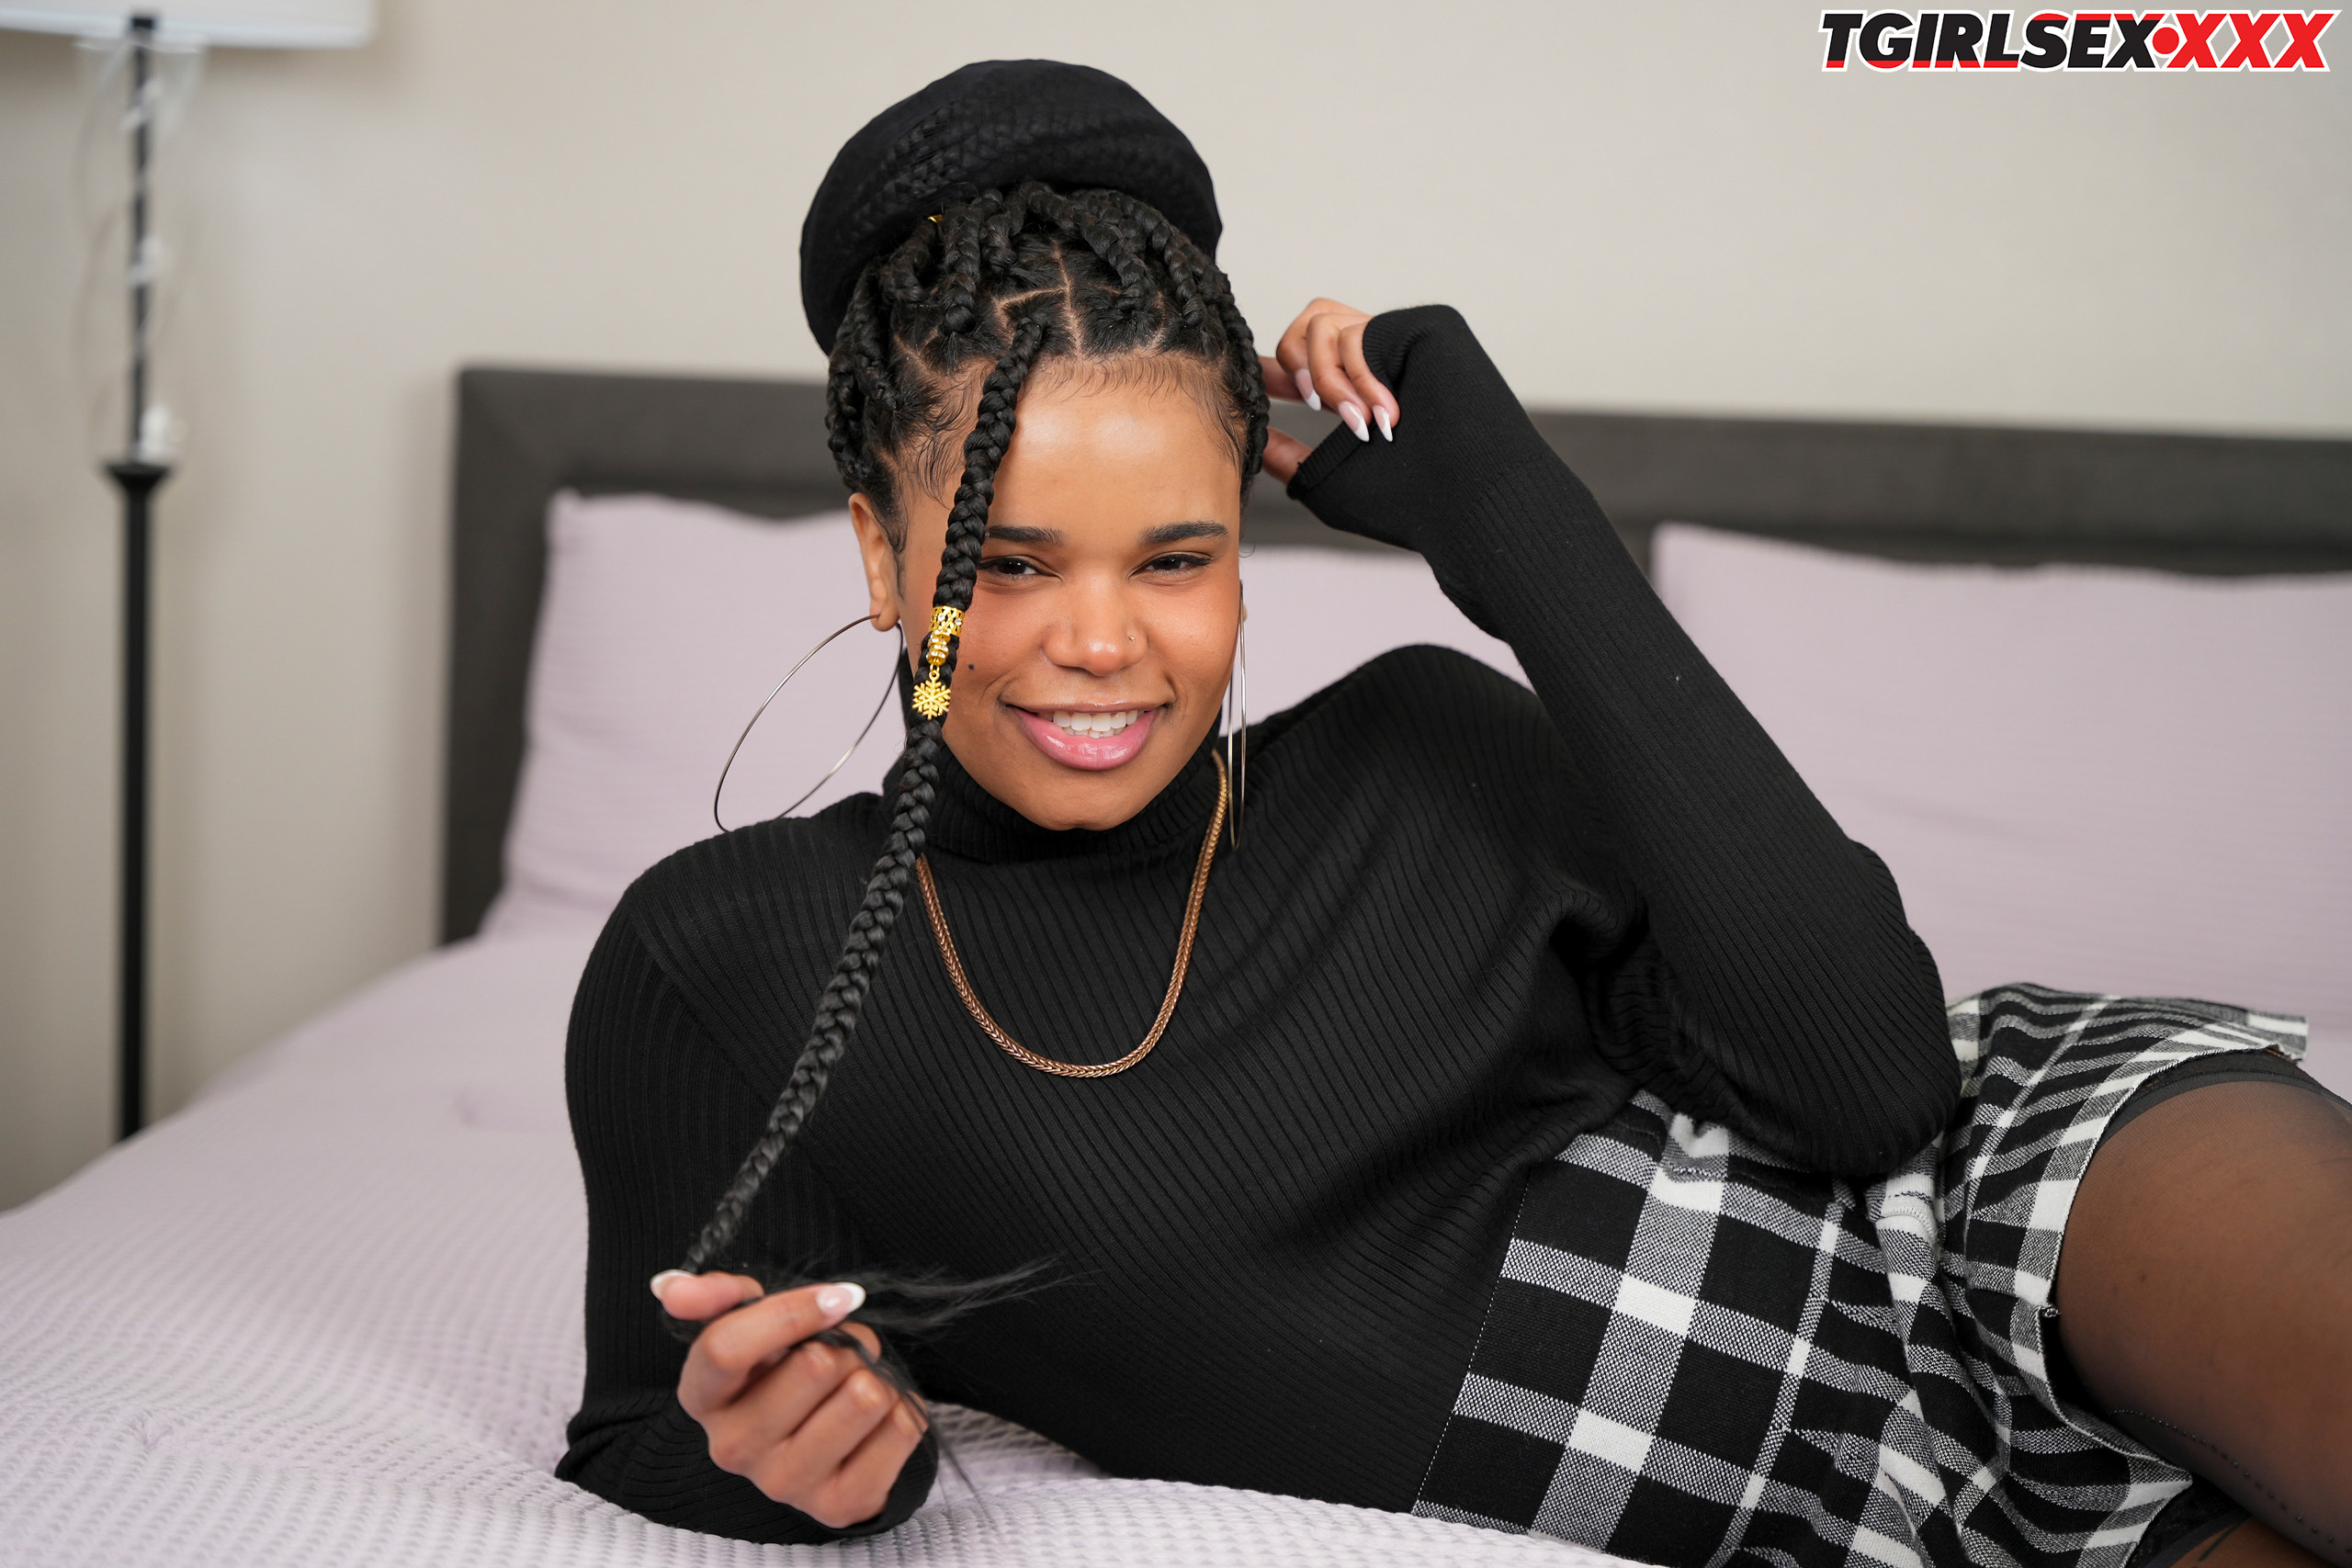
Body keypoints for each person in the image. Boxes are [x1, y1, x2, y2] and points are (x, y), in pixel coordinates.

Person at [557, 60, 2352, 1568]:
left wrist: (1513, 525)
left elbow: (1876, 1082)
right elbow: (645, 1422)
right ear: (881, 553)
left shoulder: (1422, 743)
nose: (1100, 642)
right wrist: (818, 1467)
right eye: (1008, 562)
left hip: (2018, 1203)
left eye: (1174, 558)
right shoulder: (727, 962)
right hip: (1851, 1521)